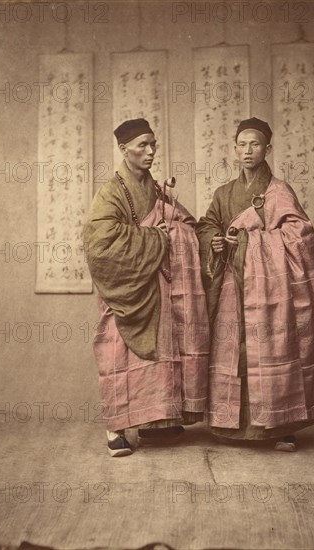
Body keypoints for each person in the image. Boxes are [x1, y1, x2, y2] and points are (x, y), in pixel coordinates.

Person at [195, 117, 314, 451]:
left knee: (271, 349)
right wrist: (216, 242)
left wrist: (250, 244)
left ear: (268, 149)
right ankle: (230, 425)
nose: (247, 151)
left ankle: (280, 425)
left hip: (269, 289)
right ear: (234, 148)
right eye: (241, 144)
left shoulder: (279, 192)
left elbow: (300, 235)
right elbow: (207, 225)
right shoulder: (224, 193)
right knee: (233, 352)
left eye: (255, 144)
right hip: (231, 286)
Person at [84, 118, 209, 456]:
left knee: (160, 357)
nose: (151, 151)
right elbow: (100, 244)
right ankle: (116, 431)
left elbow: (182, 224)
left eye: (153, 143)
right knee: (118, 354)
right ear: (124, 150)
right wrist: (155, 237)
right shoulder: (110, 193)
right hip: (127, 290)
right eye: (142, 145)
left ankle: (157, 424)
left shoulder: (155, 189)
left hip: (160, 287)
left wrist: (174, 223)